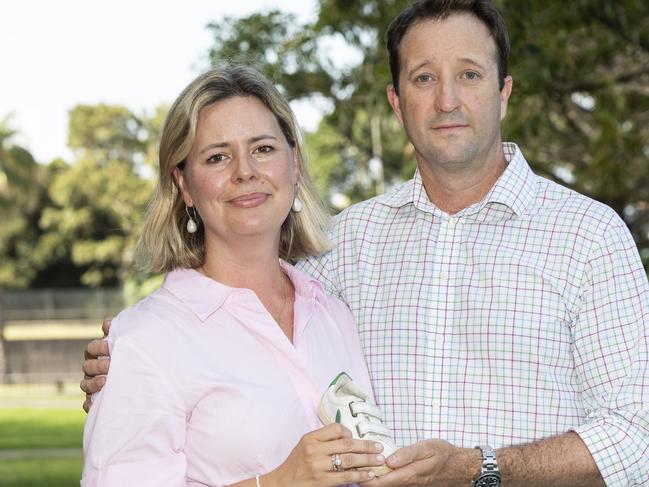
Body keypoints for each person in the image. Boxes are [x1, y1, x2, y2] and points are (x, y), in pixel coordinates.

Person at [82, 1, 649, 486]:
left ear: (504, 93)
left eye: (470, 75)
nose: (447, 99)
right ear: (396, 102)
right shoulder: (346, 249)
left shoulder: (588, 237)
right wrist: (127, 362)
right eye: (424, 78)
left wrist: (481, 468)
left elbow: (637, 438)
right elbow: (221, 323)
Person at [80, 66, 388, 486]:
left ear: (293, 164)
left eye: (262, 149)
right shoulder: (146, 340)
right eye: (217, 157)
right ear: (184, 185)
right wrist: (278, 481)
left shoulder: (335, 317)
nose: (245, 171)